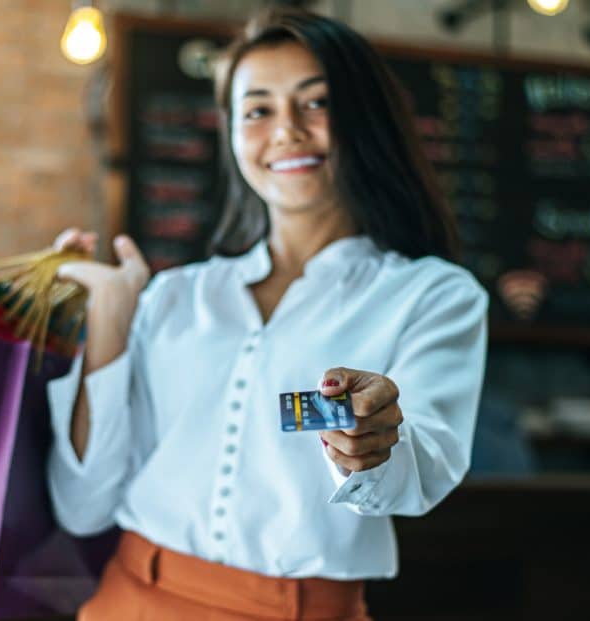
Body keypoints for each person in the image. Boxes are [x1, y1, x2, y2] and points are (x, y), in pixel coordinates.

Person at [47, 8, 488, 620]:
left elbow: (420, 469)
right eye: (257, 109)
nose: (286, 131)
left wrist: (374, 438)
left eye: (315, 103)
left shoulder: (433, 295)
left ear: (367, 119)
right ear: (230, 133)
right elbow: (83, 506)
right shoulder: (175, 297)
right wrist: (108, 324)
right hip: (129, 601)